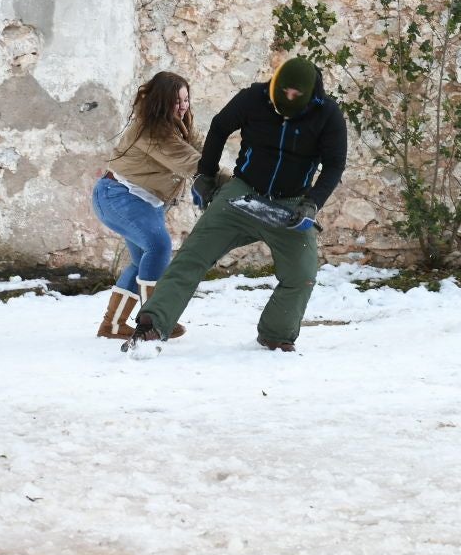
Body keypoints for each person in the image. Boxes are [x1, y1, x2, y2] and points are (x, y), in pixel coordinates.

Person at [124, 56, 347, 355]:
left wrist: (312, 204)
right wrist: (206, 173)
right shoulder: (254, 97)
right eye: (284, 93)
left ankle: (276, 335)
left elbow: (334, 165)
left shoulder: (328, 115)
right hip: (241, 193)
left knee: (302, 274)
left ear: (310, 96)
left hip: (290, 205)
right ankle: (152, 326)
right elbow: (219, 127)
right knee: (192, 257)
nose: (287, 99)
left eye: (296, 97)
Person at [91, 71, 202, 340]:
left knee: (143, 261)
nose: (183, 105)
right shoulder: (152, 130)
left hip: (145, 201)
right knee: (158, 245)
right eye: (177, 101)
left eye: (186, 99)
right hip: (119, 195)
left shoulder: (181, 121)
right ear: (162, 101)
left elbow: (200, 151)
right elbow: (191, 163)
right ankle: (154, 319)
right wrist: (230, 179)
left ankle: (113, 325)